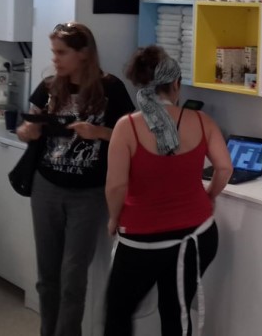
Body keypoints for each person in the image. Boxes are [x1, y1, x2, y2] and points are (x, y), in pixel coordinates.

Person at [16, 22, 135, 336]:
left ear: (83, 53)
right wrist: (28, 132)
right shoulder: (48, 87)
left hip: (89, 193)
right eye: (53, 52)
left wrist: (98, 132)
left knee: (73, 276)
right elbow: (25, 129)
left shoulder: (111, 88)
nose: (54, 59)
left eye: (61, 52)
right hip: (46, 187)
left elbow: (131, 136)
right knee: (47, 277)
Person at [104, 46, 232, 336]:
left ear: (140, 84)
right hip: (196, 235)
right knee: (176, 311)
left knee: (119, 312)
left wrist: (114, 218)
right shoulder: (202, 121)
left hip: (141, 239)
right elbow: (224, 168)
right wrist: (209, 197)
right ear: (176, 83)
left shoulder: (127, 127)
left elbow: (116, 186)